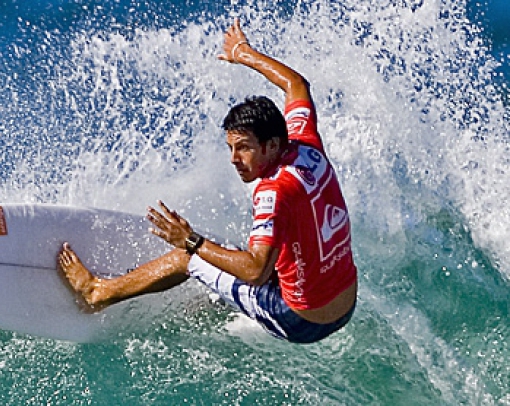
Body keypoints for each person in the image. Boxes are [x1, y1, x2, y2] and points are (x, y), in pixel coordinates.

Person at [58, 18, 358, 344]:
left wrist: (191, 240)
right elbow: (296, 84)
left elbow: (256, 272)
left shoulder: (273, 191)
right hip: (345, 303)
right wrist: (243, 53)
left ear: (271, 145)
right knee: (254, 251)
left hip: (300, 320)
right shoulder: (304, 142)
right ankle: (222, 297)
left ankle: (97, 293)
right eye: (230, 147)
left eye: (243, 148)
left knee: (188, 258)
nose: (233, 159)